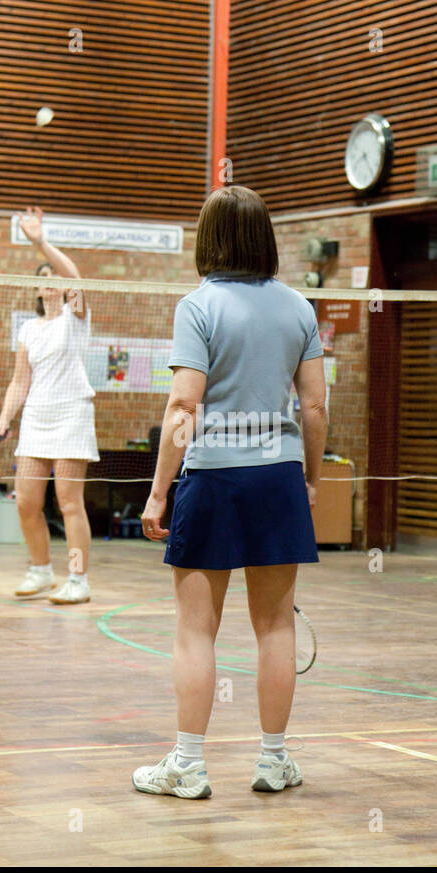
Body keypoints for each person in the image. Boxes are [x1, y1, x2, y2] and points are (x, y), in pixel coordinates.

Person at [134, 185, 327, 798]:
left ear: (208, 239)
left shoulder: (197, 306)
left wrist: (159, 490)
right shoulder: (299, 308)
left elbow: (182, 404)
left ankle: (188, 765)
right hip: (278, 477)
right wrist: (313, 478)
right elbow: (316, 406)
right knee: (275, 625)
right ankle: (273, 761)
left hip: (212, 477)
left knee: (196, 628)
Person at [0, 206, 98, 605]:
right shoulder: (29, 330)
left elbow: (75, 276)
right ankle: (40, 571)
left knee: (70, 502)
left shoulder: (75, 316)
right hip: (37, 417)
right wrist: (6, 418)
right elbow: (21, 380)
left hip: (72, 413)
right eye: (43, 279)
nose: (51, 281)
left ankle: (78, 578)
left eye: (55, 277)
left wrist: (39, 241)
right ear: (37, 290)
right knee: (27, 502)